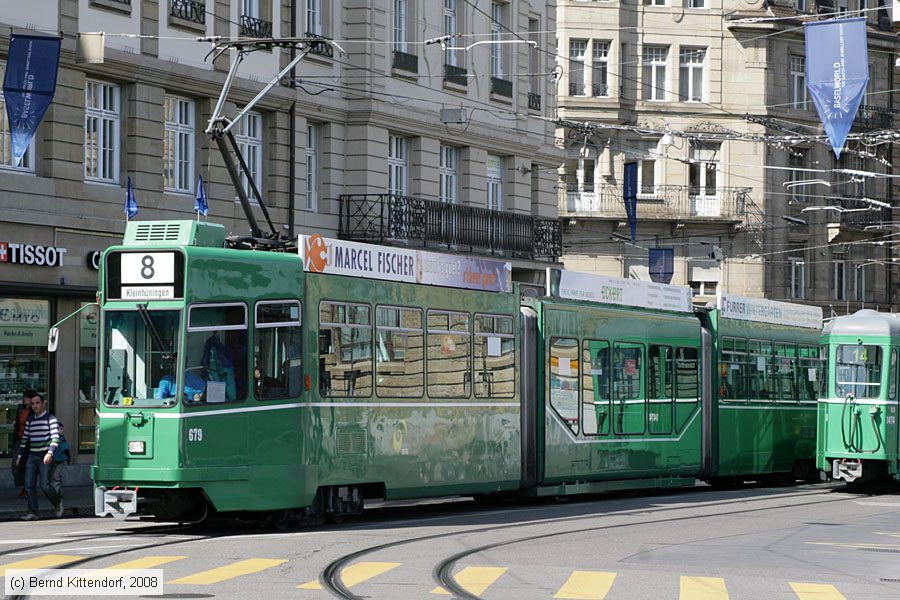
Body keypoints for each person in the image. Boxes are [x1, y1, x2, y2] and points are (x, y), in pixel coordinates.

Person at [15, 393, 62, 520]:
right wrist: (20, 455)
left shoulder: (50, 419)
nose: (35, 406)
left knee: (45, 485)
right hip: (32, 455)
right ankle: (33, 512)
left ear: (43, 403)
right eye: (32, 404)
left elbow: (56, 438)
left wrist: (50, 452)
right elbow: (25, 439)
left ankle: (57, 502)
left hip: (45, 455)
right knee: (29, 485)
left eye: (37, 403)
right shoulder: (30, 420)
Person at [10, 388, 36, 497]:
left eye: (27, 397)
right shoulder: (20, 408)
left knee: (27, 465)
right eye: (24, 397)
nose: (24, 399)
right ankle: (24, 485)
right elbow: (18, 421)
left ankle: (28, 487)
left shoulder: (35, 411)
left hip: (30, 441)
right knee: (15, 465)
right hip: (19, 439)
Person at [47, 422, 71, 517]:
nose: (60, 431)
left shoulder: (60, 439)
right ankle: (57, 494)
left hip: (58, 461)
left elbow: (66, 450)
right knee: (53, 479)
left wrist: (67, 459)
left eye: (61, 429)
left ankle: (58, 498)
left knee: (55, 479)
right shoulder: (56, 439)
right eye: (58, 429)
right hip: (54, 461)